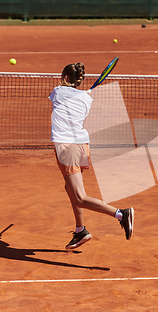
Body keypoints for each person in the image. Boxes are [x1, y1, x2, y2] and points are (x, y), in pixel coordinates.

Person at [49, 62, 134, 250]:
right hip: (81, 146)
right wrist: (82, 94)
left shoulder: (57, 91)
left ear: (64, 78)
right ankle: (80, 230)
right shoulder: (87, 98)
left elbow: (62, 98)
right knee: (70, 189)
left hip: (66, 148)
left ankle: (121, 214)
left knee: (79, 197)